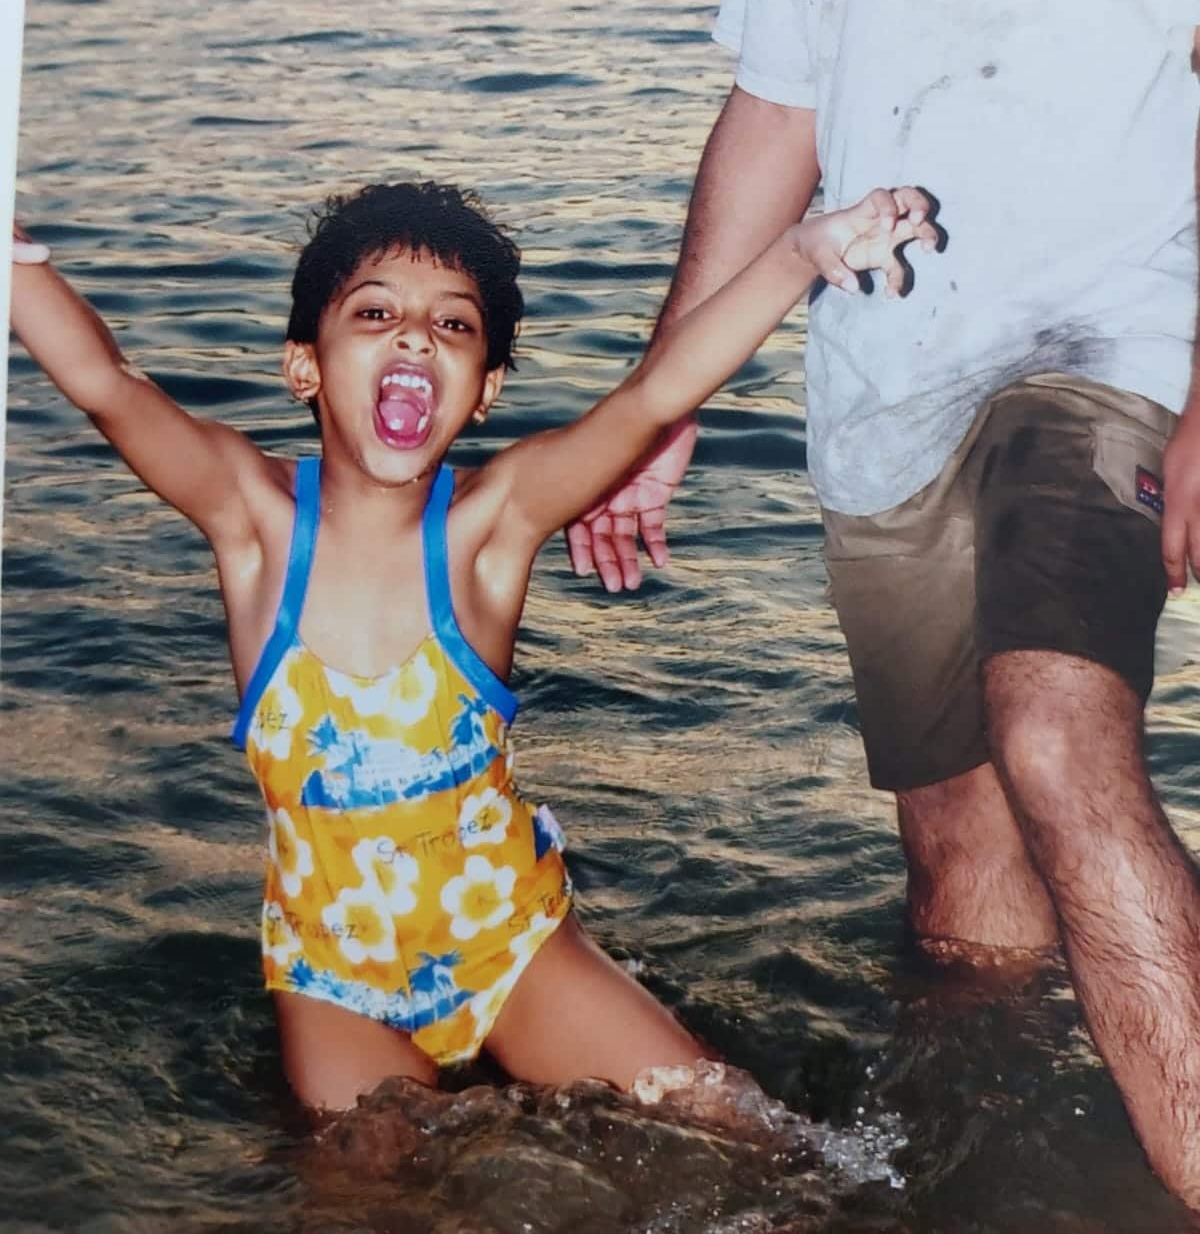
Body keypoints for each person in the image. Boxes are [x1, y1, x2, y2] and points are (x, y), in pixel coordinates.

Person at [567, 0, 1200, 1208]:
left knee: (1060, 730)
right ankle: (999, 1188)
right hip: (882, 388)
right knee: (962, 891)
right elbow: (780, 105)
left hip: (1098, 346)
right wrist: (668, 402)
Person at [9, 176, 935, 1115]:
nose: (414, 336)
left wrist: (797, 253)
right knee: (367, 1192)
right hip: (334, 972)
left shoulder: (491, 527)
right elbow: (106, 385)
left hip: (510, 943)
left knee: (731, 1123)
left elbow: (656, 395)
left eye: (453, 326)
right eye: (375, 312)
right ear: (306, 367)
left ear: (484, 390)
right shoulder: (250, 523)